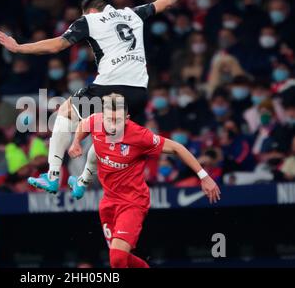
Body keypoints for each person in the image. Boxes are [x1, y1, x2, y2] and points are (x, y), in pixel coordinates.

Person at [0, 0, 198, 194]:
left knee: (64, 112)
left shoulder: (89, 20)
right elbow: (163, 2)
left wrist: (19, 48)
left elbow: (57, 45)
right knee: (104, 134)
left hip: (109, 85)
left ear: (91, 10)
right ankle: (82, 183)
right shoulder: (132, 14)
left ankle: (53, 176)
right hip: (138, 92)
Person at [67, 94, 220, 267]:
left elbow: (177, 147)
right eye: (109, 119)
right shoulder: (96, 121)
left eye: (117, 120)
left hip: (132, 201)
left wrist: (204, 177)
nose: (112, 125)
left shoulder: (139, 136)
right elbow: (83, 124)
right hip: (108, 202)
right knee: (119, 259)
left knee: (117, 259)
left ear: (127, 119)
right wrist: (76, 142)